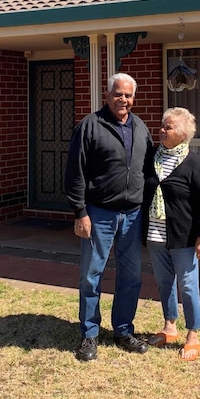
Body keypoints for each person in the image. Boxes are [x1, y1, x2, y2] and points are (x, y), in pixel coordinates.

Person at [65, 72, 154, 362]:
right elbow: (75, 171)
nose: (123, 99)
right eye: (118, 94)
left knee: (131, 277)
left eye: (128, 95)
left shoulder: (140, 128)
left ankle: (123, 330)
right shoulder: (90, 126)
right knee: (91, 276)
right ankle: (89, 334)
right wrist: (80, 212)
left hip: (132, 215)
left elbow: (149, 172)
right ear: (107, 94)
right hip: (98, 213)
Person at [142, 107, 200, 362]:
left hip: (184, 237)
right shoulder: (152, 157)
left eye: (168, 127)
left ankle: (193, 334)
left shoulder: (193, 164)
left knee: (188, 285)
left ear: (182, 133)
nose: (161, 130)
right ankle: (169, 326)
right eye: (162, 125)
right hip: (155, 235)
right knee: (164, 282)